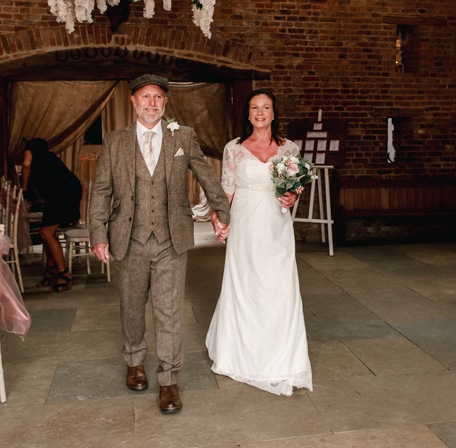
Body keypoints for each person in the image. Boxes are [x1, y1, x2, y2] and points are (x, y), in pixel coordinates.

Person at [88, 74, 231, 414]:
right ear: (134, 102)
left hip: (171, 238)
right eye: (145, 97)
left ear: (165, 103)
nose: (151, 103)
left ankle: (168, 381)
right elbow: (102, 190)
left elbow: (206, 174)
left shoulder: (183, 136)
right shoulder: (114, 141)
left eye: (157, 98)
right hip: (129, 238)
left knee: (169, 312)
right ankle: (135, 362)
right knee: (132, 307)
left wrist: (222, 211)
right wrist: (98, 234)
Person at [205, 88, 313, 396]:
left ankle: (283, 357)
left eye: (266, 107)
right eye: (255, 108)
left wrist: (294, 195)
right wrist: (219, 218)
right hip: (245, 224)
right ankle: (242, 354)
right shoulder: (234, 148)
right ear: (248, 114)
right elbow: (227, 190)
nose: (261, 112)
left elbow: (295, 187)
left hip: (276, 224)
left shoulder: (289, 148)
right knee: (247, 284)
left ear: (274, 113)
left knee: (279, 286)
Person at [21, 138, 80, 291]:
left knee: (47, 233)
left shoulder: (30, 153)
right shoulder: (48, 157)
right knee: (43, 233)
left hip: (61, 194)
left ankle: (63, 273)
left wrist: (24, 187)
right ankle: (52, 269)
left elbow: (26, 164)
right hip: (63, 192)